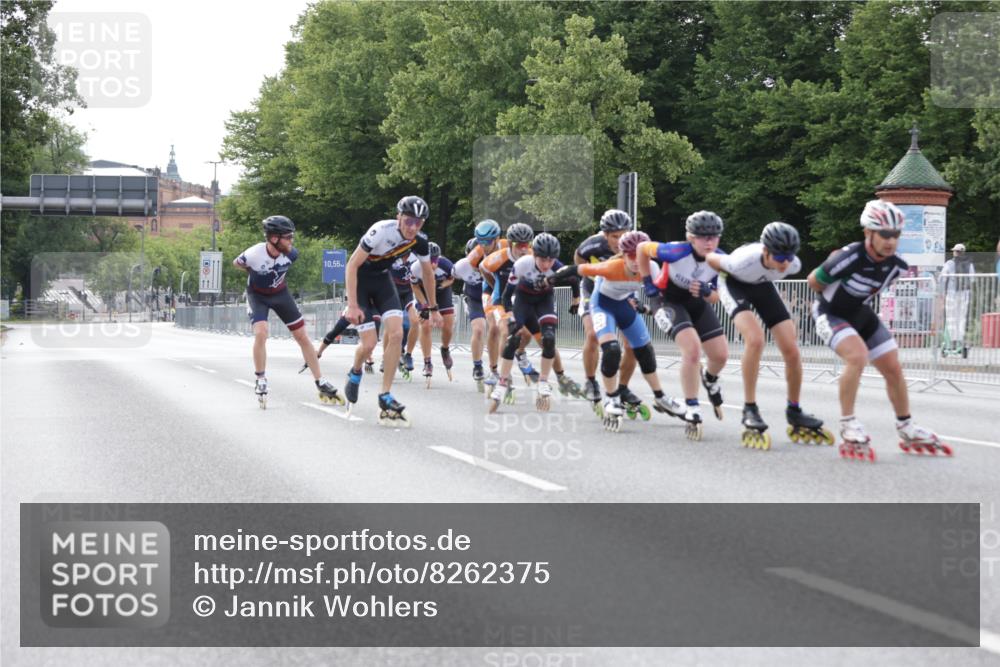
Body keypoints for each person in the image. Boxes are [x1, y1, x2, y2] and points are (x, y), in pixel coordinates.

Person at [806, 199, 952, 461]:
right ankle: (848, 423)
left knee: (893, 367)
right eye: (884, 234)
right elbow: (814, 281)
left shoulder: (896, 266)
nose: (890, 240)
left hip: (861, 314)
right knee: (857, 356)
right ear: (868, 233)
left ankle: (906, 426)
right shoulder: (848, 257)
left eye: (895, 235)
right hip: (831, 312)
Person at [706, 222, 832, 450]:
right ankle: (750, 408)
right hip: (734, 283)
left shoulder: (793, 264)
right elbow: (711, 259)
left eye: (789, 257)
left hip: (762, 286)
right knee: (755, 340)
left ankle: (794, 409)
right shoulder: (742, 260)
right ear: (765, 251)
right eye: (780, 257)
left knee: (791, 348)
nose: (785, 263)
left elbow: (784, 266)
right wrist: (707, 286)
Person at [551, 231, 685, 431]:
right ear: (623, 255)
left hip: (624, 306)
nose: (636, 261)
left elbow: (660, 298)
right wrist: (548, 280)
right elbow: (575, 268)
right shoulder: (611, 266)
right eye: (631, 255)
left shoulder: (652, 268)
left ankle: (660, 397)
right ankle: (611, 398)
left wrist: (655, 312)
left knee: (645, 351)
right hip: (602, 305)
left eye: (642, 255)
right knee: (612, 349)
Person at [343, 196, 442, 426]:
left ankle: (385, 395)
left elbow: (428, 274)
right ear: (398, 216)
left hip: (383, 283)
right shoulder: (380, 231)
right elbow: (352, 265)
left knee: (397, 334)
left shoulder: (420, 241)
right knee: (368, 345)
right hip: (361, 282)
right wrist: (352, 304)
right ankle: (355, 371)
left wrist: (433, 307)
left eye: (419, 223)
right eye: (408, 221)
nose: (413, 228)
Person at [233, 215, 344, 409]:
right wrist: (253, 274)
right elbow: (237, 263)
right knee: (261, 332)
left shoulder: (292, 254)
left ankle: (320, 381)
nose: (291, 241)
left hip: (280, 294)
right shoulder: (254, 254)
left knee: (302, 335)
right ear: (274, 238)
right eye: (288, 237)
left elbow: (286, 260)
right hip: (257, 296)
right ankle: (260, 378)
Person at [637, 211, 729, 441]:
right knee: (693, 350)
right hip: (667, 300)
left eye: (714, 237)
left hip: (696, 302)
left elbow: (717, 297)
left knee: (720, 356)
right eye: (702, 237)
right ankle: (692, 406)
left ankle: (710, 378)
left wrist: (709, 292)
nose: (709, 242)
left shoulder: (720, 259)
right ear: (690, 237)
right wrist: (647, 281)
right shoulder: (675, 251)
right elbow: (642, 249)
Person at [489, 233, 565, 413]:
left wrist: (576, 299)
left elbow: (574, 280)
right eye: (542, 260)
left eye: (550, 260)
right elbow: (507, 294)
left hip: (543, 304)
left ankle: (545, 380)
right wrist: (508, 314)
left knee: (548, 339)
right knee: (514, 336)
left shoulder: (558, 268)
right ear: (534, 255)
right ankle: (502, 381)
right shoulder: (522, 264)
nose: (546, 264)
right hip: (523, 304)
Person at [575, 209, 639, 405]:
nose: (619, 241)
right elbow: (578, 262)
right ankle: (591, 381)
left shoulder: (636, 245)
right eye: (614, 237)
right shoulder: (592, 244)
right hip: (593, 291)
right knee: (593, 334)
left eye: (623, 235)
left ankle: (623, 387)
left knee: (632, 345)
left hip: (622, 292)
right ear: (605, 235)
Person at [409, 242, 456, 385]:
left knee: (448, 325)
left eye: (435, 260)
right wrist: (424, 305)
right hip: (423, 294)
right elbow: (415, 287)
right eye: (430, 261)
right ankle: (427, 362)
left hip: (442, 293)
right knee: (426, 325)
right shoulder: (416, 268)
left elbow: (452, 278)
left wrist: (442, 286)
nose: (433, 265)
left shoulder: (446, 264)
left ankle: (445, 349)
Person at [453, 238, 489, 390]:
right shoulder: (461, 266)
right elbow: (448, 278)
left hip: (491, 297)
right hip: (474, 299)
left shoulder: (491, 263)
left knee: (498, 330)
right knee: (479, 329)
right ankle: (477, 366)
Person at [940, 242, 975, 356]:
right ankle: (960, 342)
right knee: (961, 318)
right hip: (965, 294)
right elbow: (972, 279)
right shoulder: (969, 264)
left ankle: (951, 343)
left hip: (951, 294)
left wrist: (941, 292)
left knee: (951, 318)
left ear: (955, 252)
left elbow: (943, 279)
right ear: (963, 252)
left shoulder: (949, 263)